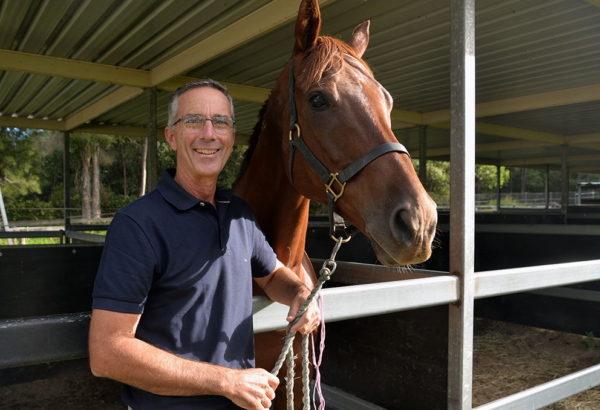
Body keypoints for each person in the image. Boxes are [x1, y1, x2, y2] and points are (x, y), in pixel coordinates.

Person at [89, 79, 321, 410]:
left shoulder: (240, 214)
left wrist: (300, 294)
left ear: (230, 139)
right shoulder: (137, 224)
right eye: (194, 121)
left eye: (221, 122)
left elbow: (271, 275)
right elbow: (107, 353)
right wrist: (227, 381)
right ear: (171, 136)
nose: (209, 133)